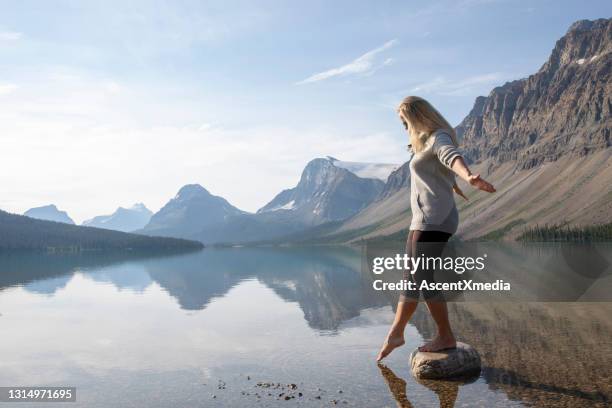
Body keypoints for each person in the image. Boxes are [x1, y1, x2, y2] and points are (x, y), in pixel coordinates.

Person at [377, 96, 495, 361]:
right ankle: (396, 332)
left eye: (404, 121)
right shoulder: (421, 145)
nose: (403, 127)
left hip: (435, 218)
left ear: (417, 116)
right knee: (411, 277)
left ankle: (445, 335)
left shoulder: (438, 137)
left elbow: (451, 156)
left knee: (422, 277)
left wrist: (468, 176)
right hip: (421, 219)